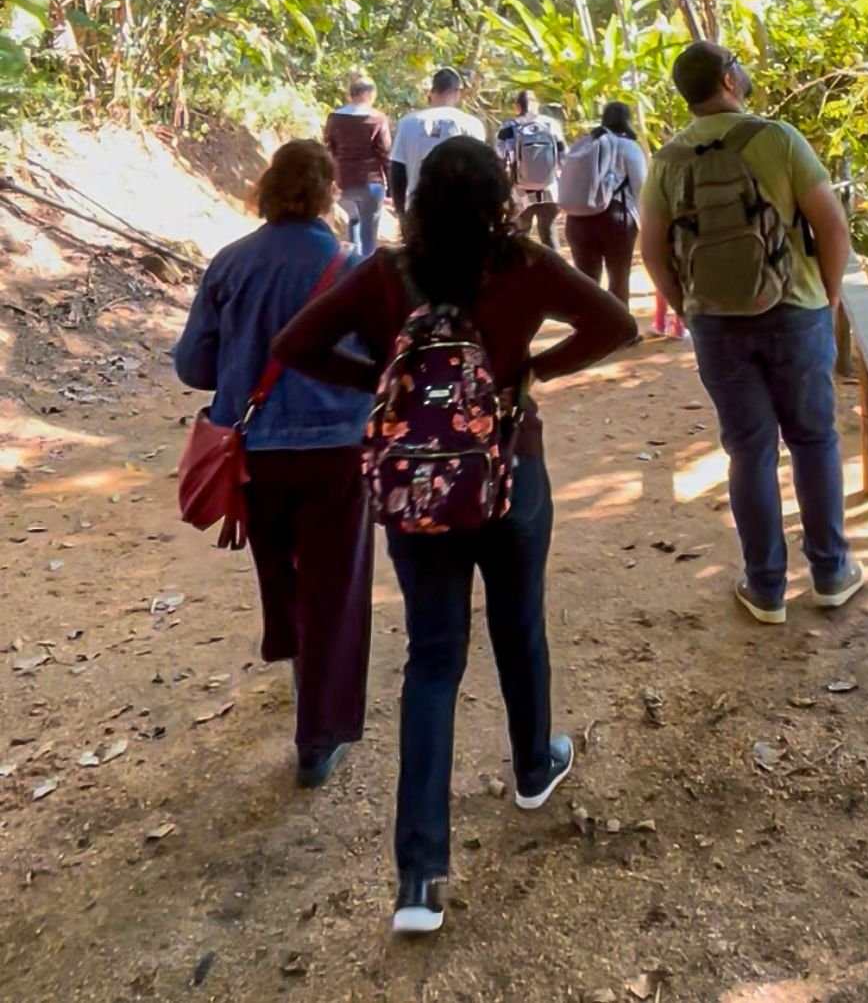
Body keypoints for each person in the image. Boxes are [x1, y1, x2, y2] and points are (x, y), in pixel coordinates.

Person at [272, 137, 636, 934]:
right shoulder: (523, 266)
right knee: (520, 626)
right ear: (500, 197)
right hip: (511, 469)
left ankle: (420, 881)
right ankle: (534, 767)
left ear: (418, 200)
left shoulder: (385, 275)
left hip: (416, 489)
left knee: (433, 660)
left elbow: (291, 345)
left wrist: (384, 387)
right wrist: (528, 374)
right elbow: (617, 324)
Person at [639, 42, 866, 625]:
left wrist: (688, 309)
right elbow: (832, 226)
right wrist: (829, 291)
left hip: (717, 323)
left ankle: (765, 587)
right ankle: (831, 572)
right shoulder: (779, 138)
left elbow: (653, 251)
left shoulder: (667, 160)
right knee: (814, 440)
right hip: (797, 312)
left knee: (749, 451)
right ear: (729, 78)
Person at [173, 140, 373, 788]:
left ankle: (301, 672)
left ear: (265, 189)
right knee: (333, 588)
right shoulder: (351, 268)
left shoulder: (230, 263)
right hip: (336, 450)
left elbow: (192, 366)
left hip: (253, 453)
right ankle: (318, 738)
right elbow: (383, 361)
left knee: (282, 577)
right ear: (326, 194)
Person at [563, 101, 647, 308]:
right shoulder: (628, 146)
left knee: (586, 281)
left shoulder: (583, 143)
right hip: (615, 219)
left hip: (576, 220)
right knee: (618, 278)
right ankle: (623, 331)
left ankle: (592, 329)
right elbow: (641, 188)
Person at [390, 67, 486, 219]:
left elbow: (397, 170)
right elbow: (481, 171)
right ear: (457, 93)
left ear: (432, 92)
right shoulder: (472, 124)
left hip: (418, 209)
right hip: (461, 210)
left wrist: (401, 211)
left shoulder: (407, 123)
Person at [322, 71, 391, 261]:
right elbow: (384, 153)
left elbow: (327, 148)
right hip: (371, 183)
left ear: (350, 94)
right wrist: (391, 185)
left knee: (353, 219)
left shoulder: (334, 117)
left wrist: (329, 178)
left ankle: (352, 263)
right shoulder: (377, 118)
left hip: (342, 182)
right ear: (369, 94)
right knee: (369, 232)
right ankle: (365, 267)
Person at [496, 90, 566, 249]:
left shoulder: (507, 128)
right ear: (537, 105)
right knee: (549, 233)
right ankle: (554, 271)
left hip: (520, 190)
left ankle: (521, 271)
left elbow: (499, 158)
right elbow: (563, 157)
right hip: (549, 188)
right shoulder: (550, 124)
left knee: (521, 235)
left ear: (517, 107)